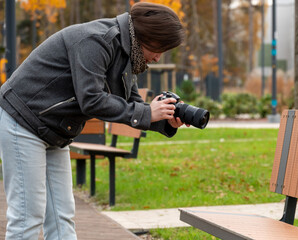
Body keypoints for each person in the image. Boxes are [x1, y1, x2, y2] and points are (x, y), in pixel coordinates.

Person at [0, 2, 186, 239]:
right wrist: (148, 113)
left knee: (61, 216)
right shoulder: (96, 40)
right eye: (159, 47)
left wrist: (167, 120)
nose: (158, 57)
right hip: (23, 121)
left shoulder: (127, 53)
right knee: (28, 216)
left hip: (54, 131)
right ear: (144, 35)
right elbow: (91, 99)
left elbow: (133, 102)